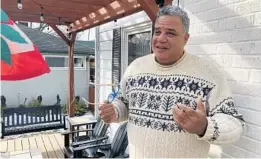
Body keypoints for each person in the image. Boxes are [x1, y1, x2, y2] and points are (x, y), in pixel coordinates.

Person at [99, 5, 244, 158]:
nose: (161, 38)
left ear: (186, 39)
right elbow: (124, 104)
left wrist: (204, 127)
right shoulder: (135, 67)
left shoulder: (208, 73)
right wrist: (114, 111)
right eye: (157, 31)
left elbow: (235, 123)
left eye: (170, 33)